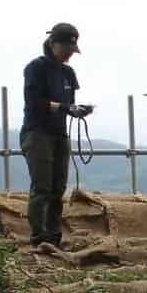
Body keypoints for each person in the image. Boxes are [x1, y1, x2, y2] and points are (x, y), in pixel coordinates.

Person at [21, 23, 93, 250]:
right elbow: (36, 102)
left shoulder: (68, 73)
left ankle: (53, 237)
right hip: (38, 132)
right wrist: (64, 107)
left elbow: (67, 103)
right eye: (66, 48)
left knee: (57, 187)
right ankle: (38, 237)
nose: (69, 54)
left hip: (60, 133)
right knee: (42, 186)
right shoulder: (36, 68)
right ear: (53, 43)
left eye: (72, 49)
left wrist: (78, 109)